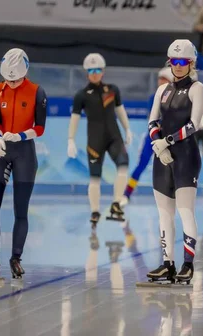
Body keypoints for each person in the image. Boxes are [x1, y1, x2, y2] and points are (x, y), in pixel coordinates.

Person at [144, 39, 203, 285]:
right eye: (174, 61)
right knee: (164, 214)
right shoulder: (163, 90)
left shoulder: (197, 88)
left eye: (183, 62)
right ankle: (167, 264)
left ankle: (188, 265)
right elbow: (152, 121)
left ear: (191, 63)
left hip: (186, 157)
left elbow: (194, 124)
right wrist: (158, 146)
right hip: (162, 156)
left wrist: (166, 142)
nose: (178, 66)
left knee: (184, 211)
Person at [0, 48, 47, 280]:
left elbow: (40, 128)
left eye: (16, 79)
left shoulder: (37, 92)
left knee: (20, 211)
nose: (11, 83)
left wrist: (20, 136)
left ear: (25, 74)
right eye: (8, 79)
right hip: (0, 150)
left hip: (24, 153)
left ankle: (16, 258)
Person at [68, 53, 134, 227]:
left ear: (103, 71)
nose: (94, 73)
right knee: (95, 178)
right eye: (91, 70)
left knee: (123, 165)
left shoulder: (113, 90)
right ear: (86, 73)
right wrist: (70, 139)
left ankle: (117, 204)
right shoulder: (81, 95)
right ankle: (95, 211)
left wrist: (127, 129)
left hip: (114, 137)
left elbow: (120, 110)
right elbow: (75, 117)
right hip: (95, 141)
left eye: (97, 70)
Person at [121, 67, 174, 206]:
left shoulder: (177, 98)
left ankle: (170, 195)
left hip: (169, 138)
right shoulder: (153, 98)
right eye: (159, 78)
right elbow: (154, 117)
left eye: (164, 79)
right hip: (153, 136)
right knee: (142, 164)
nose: (160, 81)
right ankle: (127, 193)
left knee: (170, 167)